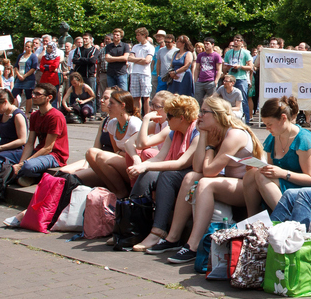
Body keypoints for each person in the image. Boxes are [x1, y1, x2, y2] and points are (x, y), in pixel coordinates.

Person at [154, 96, 264, 261]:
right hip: (232, 183)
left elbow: (210, 171)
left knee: (205, 183)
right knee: (191, 177)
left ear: (217, 115)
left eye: (204, 112)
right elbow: (198, 167)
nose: (199, 116)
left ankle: (193, 245)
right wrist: (204, 136)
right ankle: (173, 237)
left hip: (248, 187)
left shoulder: (234, 134)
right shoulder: (214, 133)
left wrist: (210, 146)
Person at [130, 94, 201, 252]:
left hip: (192, 173)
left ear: (181, 118)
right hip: (179, 172)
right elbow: (160, 157)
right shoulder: (173, 132)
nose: (166, 120)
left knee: (165, 176)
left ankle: (158, 231)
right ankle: (132, 226)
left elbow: (181, 163)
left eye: (169, 116)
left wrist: (145, 166)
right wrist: (141, 167)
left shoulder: (197, 132)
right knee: (146, 174)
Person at [241, 96, 311, 215]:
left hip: (308, 192)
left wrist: (282, 173)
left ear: (283, 118)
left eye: (269, 124)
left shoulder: (303, 139)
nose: (267, 128)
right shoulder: (273, 138)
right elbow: (271, 171)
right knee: (251, 175)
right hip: (285, 185)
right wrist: (261, 168)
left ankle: (286, 220)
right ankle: (253, 218)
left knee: (260, 176)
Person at [85, 89, 144, 196]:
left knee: (102, 156)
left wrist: (119, 154)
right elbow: (115, 151)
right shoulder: (112, 124)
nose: (108, 106)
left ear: (122, 106)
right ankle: (114, 190)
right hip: (122, 159)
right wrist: (119, 154)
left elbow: (139, 153)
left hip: (135, 163)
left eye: (112, 103)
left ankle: (122, 192)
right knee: (90, 152)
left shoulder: (134, 123)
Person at [223, 34, 254, 123]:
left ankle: (246, 120)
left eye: (238, 40)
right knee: (228, 98)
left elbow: (250, 67)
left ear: (242, 42)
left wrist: (240, 66)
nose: (235, 42)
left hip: (241, 78)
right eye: (234, 40)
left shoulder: (245, 52)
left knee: (243, 99)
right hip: (230, 78)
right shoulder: (228, 53)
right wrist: (228, 67)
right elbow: (224, 67)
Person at [128, 27, 155, 116]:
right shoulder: (135, 46)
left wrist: (135, 59)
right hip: (135, 72)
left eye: (138, 35)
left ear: (144, 35)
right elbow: (129, 58)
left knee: (146, 97)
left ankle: (146, 116)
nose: (137, 37)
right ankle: (137, 116)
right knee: (136, 96)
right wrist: (140, 59)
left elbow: (147, 61)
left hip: (145, 73)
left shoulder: (150, 47)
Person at [12, 40, 39, 113]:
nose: (27, 48)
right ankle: (15, 110)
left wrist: (25, 76)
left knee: (28, 94)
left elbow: (33, 68)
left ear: (32, 48)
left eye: (28, 47)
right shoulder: (20, 55)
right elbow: (16, 66)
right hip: (19, 77)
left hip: (28, 78)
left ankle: (27, 112)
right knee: (14, 93)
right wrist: (18, 74)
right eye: (26, 46)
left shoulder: (33, 56)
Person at [193, 37, 223, 104]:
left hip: (211, 80)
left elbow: (219, 69)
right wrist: (195, 80)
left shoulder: (216, 55)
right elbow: (197, 68)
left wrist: (216, 81)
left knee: (211, 101)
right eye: (204, 44)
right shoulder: (200, 55)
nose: (206, 45)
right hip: (200, 81)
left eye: (207, 44)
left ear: (212, 44)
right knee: (198, 101)